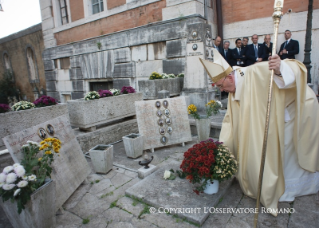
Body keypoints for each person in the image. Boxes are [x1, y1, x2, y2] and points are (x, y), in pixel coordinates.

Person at [199, 49, 319, 216]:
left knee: (283, 147)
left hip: (294, 110)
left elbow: (298, 68)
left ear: (229, 77)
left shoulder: (254, 72)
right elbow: (230, 124)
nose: (222, 91)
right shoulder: (234, 90)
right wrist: (222, 152)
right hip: (277, 114)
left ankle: (285, 188)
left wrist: (279, 68)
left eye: (221, 86)